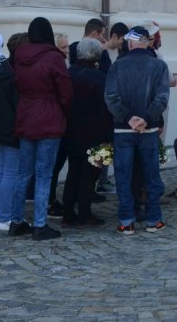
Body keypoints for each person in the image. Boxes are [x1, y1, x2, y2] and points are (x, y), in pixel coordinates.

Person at [106, 26, 171, 233]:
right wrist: (145, 118)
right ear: (147, 43)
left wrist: (127, 118)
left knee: (124, 176)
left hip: (123, 129)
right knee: (151, 175)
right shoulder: (159, 66)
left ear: (131, 43)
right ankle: (154, 220)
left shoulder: (118, 66)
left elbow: (111, 97)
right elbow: (162, 99)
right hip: (148, 129)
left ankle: (126, 221)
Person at [13, 17, 72, 241]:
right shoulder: (53, 58)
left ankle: (17, 220)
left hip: (26, 113)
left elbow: (17, 83)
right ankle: (39, 223)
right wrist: (64, 112)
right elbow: (65, 91)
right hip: (48, 115)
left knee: (23, 172)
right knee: (44, 173)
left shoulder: (20, 55)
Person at [61, 38, 114, 225]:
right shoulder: (100, 78)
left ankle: (68, 212)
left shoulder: (68, 74)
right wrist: (110, 136)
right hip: (96, 134)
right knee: (90, 176)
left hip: (70, 132)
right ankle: (84, 212)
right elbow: (107, 110)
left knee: (73, 172)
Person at [0, 32, 28, 234]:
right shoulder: (16, 73)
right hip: (12, 127)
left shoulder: (4, 68)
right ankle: (6, 217)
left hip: (0, 126)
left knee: (3, 172)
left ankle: (1, 215)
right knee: (10, 173)